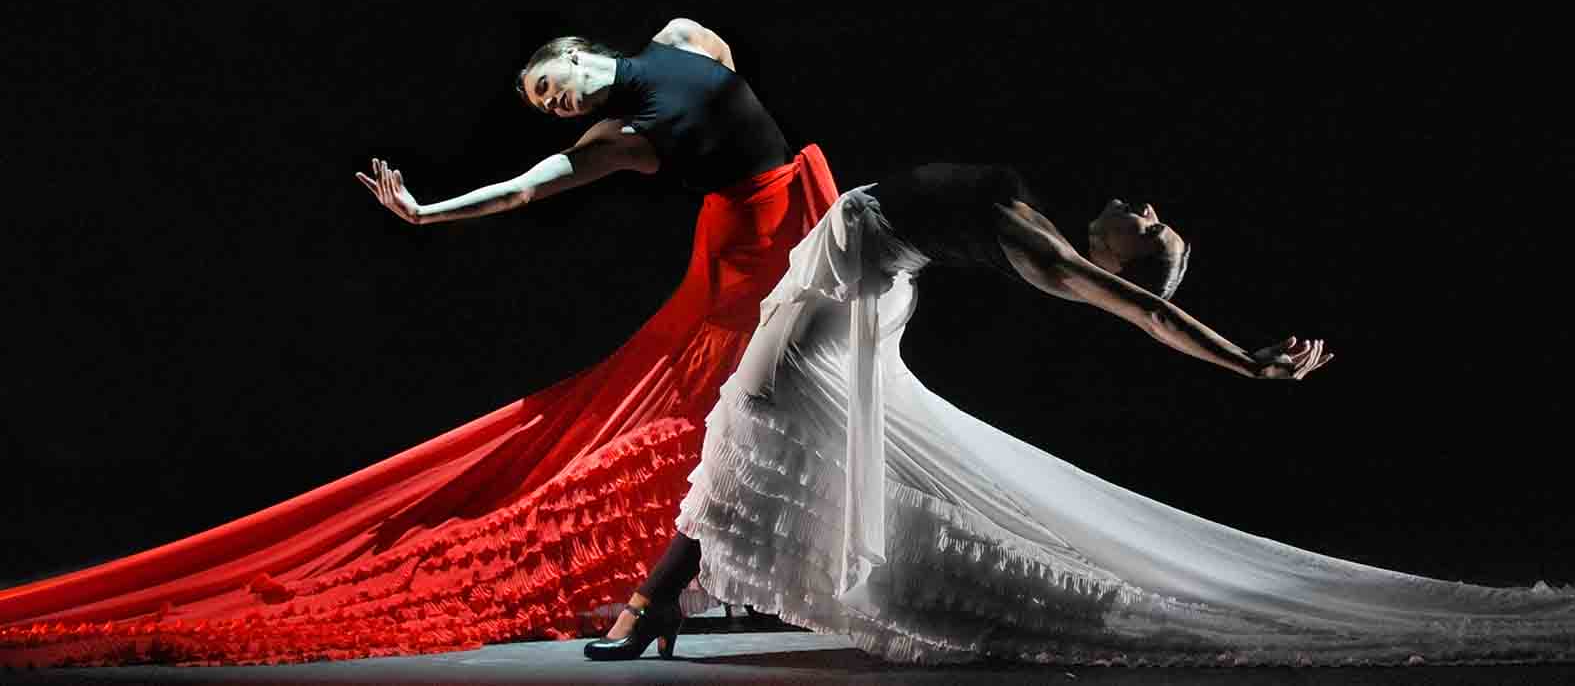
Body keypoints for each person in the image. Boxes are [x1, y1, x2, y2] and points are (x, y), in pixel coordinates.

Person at [0, 18, 839, 667]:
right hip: (742, 252)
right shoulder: (618, 141)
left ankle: (687, 588)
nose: (559, 101)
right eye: (548, 105)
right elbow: (519, 190)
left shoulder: (679, 38)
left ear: (581, 53)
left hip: (783, 203)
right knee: (739, 411)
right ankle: (674, 588)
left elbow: (723, 77)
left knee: (779, 403)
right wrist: (426, 212)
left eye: (556, 84)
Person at [589, 164, 1573, 665]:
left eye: (1146, 228)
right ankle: (668, 598)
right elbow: (1144, 282)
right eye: (1152, 212)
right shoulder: (1051, 219)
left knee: (754, 422)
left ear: (1113, 258)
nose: (1141, 205)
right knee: (760, 429)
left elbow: (1146, 311)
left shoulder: (1050, 255)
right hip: (864, 284)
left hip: (844, 296)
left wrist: (1245, 359)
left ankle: (656, 602)